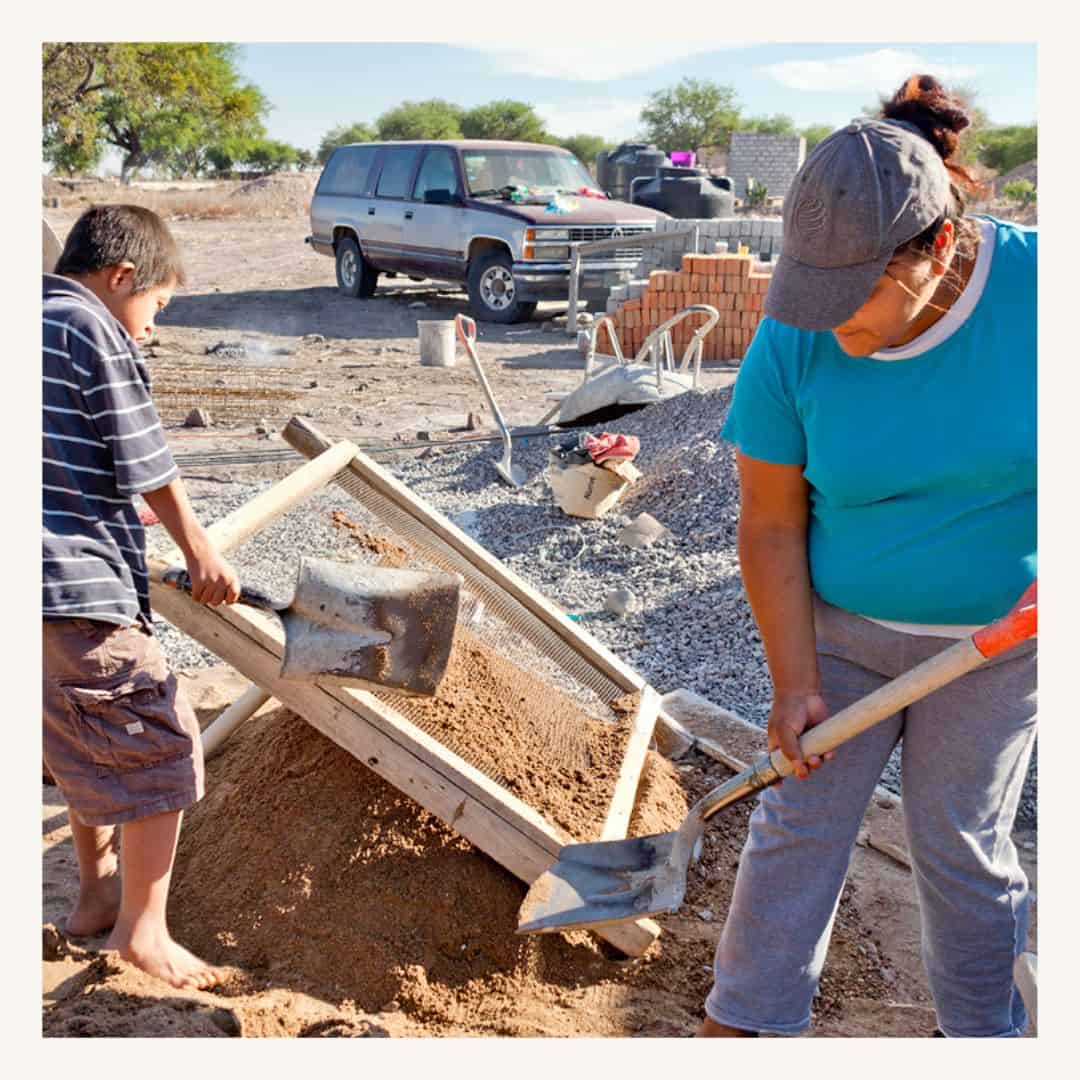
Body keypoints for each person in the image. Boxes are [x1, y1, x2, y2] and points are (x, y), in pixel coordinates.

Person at [699, 75, 1036, 1038]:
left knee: (961, 846)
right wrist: (794, 680)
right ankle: (746, 1027)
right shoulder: (793, 341)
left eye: (853, 296)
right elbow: (768, 522)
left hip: (1001, 637)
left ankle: (984, 1038)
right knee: (798, 823)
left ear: (935, 248)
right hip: (840, 631)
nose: (823, 321)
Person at [43, 204, 242, 990]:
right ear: (121, 278)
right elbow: (144, 453)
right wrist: (201, 551)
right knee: (159, 738)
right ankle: (142, 932)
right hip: (67, 583)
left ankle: (94, 899)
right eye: (155, 306)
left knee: (76, 743)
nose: (151, 327)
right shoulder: (93, 328)